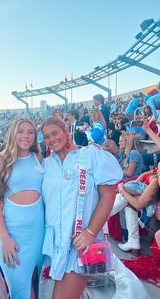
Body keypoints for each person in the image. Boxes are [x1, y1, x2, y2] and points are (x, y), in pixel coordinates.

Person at [40, 117, 123, 299]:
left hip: (81, 244)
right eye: (46, 137)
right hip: (56, 244)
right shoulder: (46, 165)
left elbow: (108, 196)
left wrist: (91, 233)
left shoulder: (92, 155)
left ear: (65, 130)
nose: (51, 139)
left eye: (55, 133)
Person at [0, 119, 45, 299]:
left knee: (37, 283)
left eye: (30, 132)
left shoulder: (39, 158)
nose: (25, 136)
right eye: (21, 131)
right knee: (21, 291)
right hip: (13, 234)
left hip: (39, 233)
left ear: (35, 136)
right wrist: (4, 237)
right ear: (13, 133)